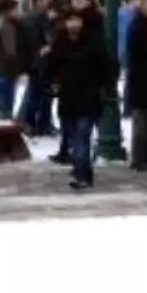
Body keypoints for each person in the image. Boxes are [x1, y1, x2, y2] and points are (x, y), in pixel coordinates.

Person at [44, 11, 118, 190]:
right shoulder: (60, 43)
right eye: (70, 21)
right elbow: (50, 68)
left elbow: (108, 67)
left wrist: (105, 87)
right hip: (67, 98)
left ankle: (81, 174)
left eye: (76, 21)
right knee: (74, 136)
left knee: (83, 136)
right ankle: (83, 169)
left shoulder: (93, 43)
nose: (73, 25)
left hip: (89, 97)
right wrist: (52, 84)